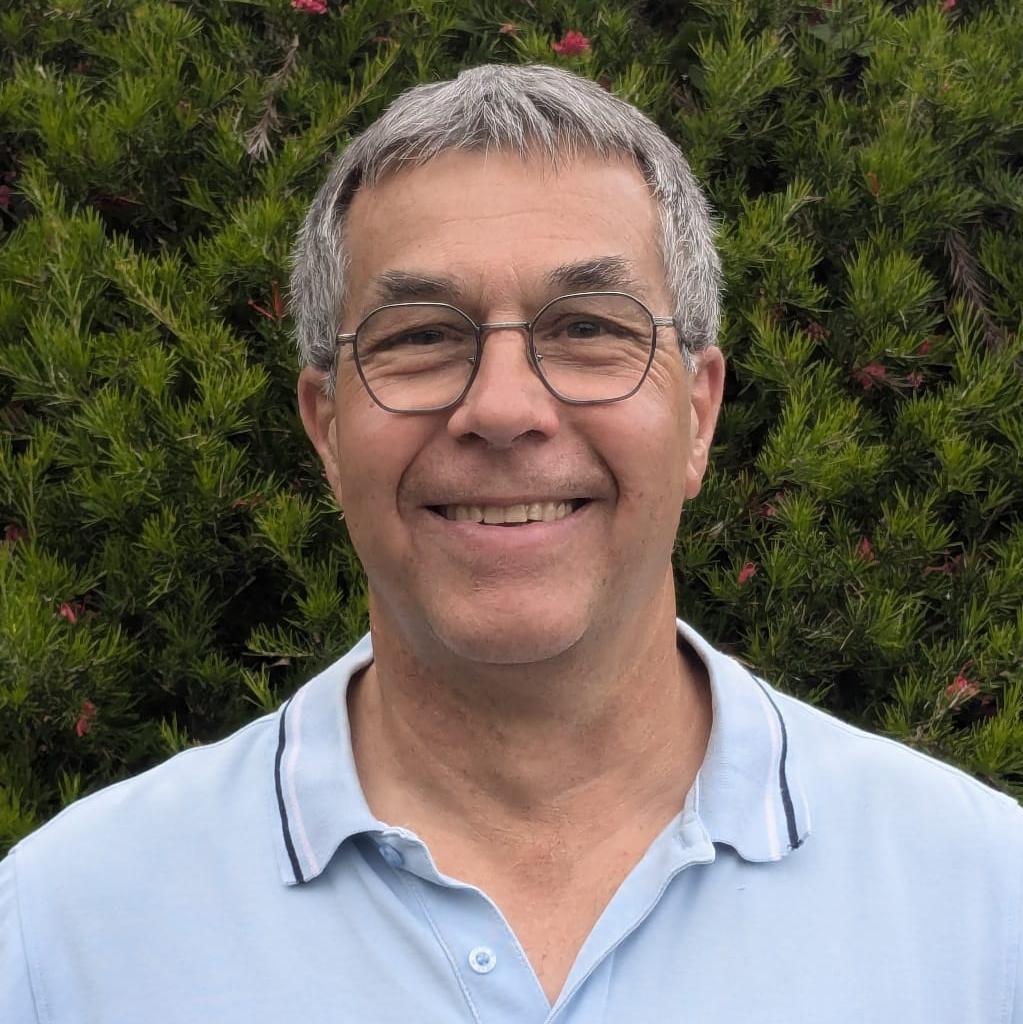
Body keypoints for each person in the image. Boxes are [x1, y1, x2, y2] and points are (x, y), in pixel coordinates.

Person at [2, 63, 1020, 1023]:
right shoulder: (66, 932)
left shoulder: (982, 907)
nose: (501, 408)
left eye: (587, 328)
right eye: (420, 336)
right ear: (327, 428)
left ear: (699, 414)